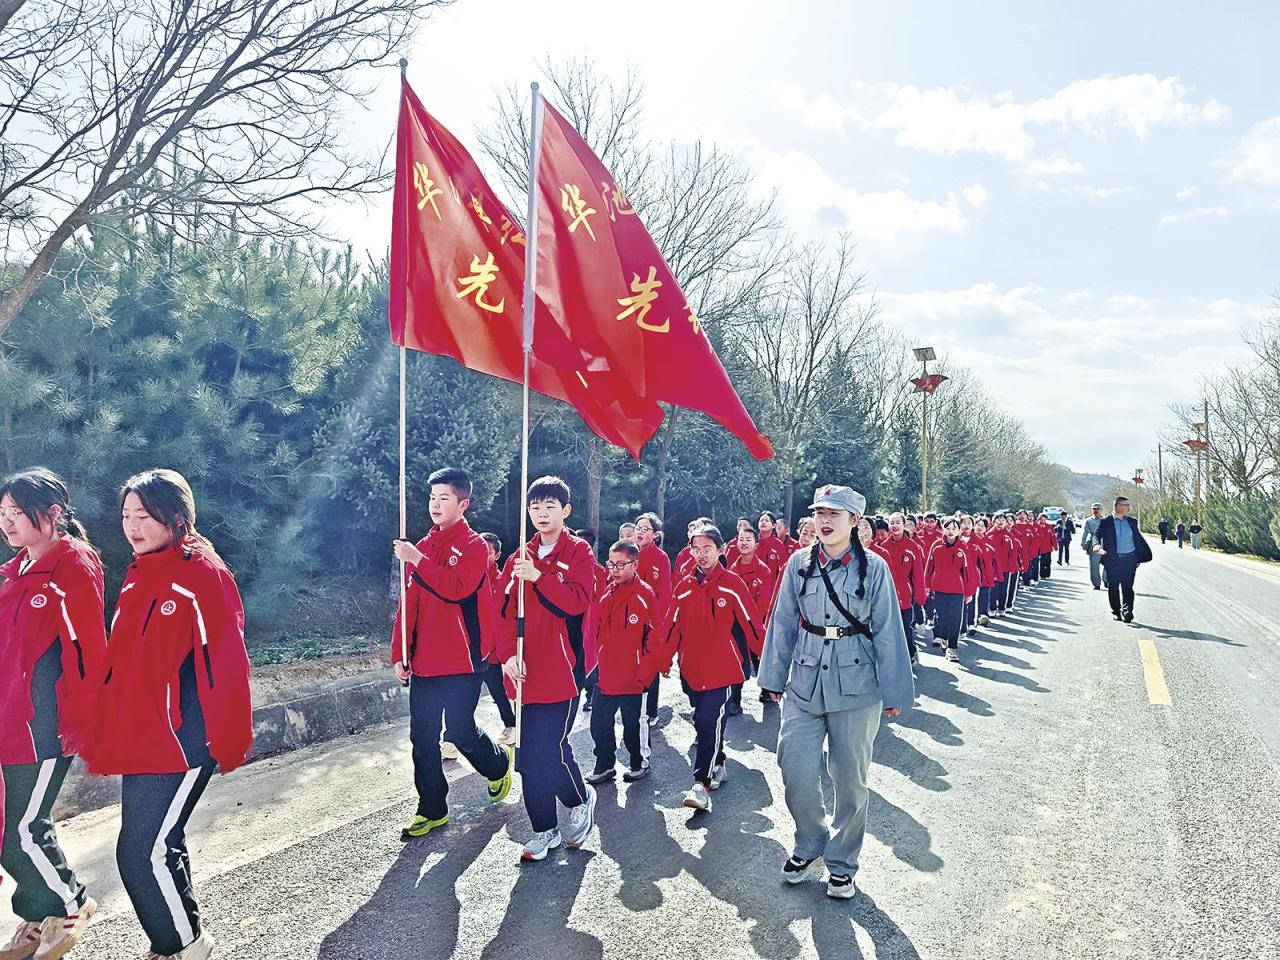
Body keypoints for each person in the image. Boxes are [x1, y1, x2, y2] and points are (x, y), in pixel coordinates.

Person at [86, 469, 253, 960]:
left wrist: (226, 741)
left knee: (140, 853)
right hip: (142, 736)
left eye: (144, 516)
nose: (132, 526)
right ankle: (183, 939)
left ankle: (182, 947)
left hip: (183, 741)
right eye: (126, 515)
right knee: (160, 844)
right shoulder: (141, 571)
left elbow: (228, 666)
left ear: (177, 517)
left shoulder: (204, 576)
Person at [759, 484, 914, 900]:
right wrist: (772, 676)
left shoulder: (874, 568)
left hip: (857, 685)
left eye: (834, 514)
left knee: (849, 780)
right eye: (820, 513)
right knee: (794, 767)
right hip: (805, 680)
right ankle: (810, 844)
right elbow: (783, 620)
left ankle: (842, 863)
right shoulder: (798, 564)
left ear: (854, 521)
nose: (825, 521)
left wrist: (896, 691)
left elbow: (889, 630)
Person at [0, 469, 107, 960]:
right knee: (9, 827)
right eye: (3, 513)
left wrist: (80, 722)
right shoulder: (16, 571)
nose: (7, 523)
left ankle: (69, 905)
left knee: (24, 828)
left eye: (17, 513)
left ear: (53, 514)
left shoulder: (72, 565)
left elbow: (87, 652)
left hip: (45, 724)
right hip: (10, 721)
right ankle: (37, 913)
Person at [390, 468, 514, 842]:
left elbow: (457, 588)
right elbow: (408, 604)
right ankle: (432, 808)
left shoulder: (474, 547)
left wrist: (416, 559)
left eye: (444, 498)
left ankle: (497, 764)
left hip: (464, 660)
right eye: (432, 498)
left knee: (459, 731)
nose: (435, 505)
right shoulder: (422, 547)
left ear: (463, 504)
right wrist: (400, 652)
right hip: (425, 662)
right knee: (422, 737)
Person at [498, 476, 597, 862]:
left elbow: (577, 602)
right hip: (525, 674)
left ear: (565, 510)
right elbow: (502, 612)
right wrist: (507, 655)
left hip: (563, 670)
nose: (541, 513)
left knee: (550, 748)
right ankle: (544, 830)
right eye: (535, 506)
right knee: (526, 756)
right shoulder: (519, 556)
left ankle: (579, 798)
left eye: (549, 506)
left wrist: (540, 577)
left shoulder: (579, 552)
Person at [656, 524, 762, 814]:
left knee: (708, 721)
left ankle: (700, 785)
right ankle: (719, 762)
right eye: (696, 549)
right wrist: (663, 660)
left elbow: (752, 625)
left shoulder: (732, 583)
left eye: (707, 549)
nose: (701, 554)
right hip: (691, 670)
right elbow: (670, 627)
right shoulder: (684, 586)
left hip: (723, 670)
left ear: (721, 550)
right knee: (704, 721)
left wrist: (768, 667)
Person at [585, 540, 661, 785]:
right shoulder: (607, 592)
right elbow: (595, 632)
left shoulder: (644, 594)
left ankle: (640, 762)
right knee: (599, 724)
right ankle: (604, 765)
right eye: (611, 564)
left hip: (634, 677)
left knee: (633, 726)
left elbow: (655, 639)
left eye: (621, 564)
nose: (615, 570)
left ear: (635, 565)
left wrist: (645, 674)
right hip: (605, 675)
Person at [727, 526, 776, 714]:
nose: (744, 543)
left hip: (755, 623)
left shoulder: (763, 570)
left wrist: (752, 621)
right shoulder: (732, 570)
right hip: (736, 624)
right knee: (736, 659)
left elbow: (764, 601)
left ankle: (767, 689)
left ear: (756, 544)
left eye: (748, 539)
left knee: (760, 657)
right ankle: (735, 700)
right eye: (741, 539)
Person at [633, 513, 672, 729]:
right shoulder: (629, 553)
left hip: (650, 623)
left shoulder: (661, 558)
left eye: (645, 529)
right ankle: (632, 707)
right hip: (628, 620)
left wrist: (658, 624)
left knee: (650, 665)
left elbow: (664, 595)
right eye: (638, 528)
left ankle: (651, 711)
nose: (640, 532)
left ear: (655, 535)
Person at [479, 533, 517, 746]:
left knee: (498, 691)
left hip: (491, 650)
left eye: (487, 552)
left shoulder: (502, 582)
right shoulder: (465, 577)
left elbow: (504, 618)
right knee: (459, 695)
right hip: (466, 649)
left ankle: (511, 724)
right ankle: (450, 739)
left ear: (497, 555)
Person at [1091, 496, 1153, 623]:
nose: (1129, 508)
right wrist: (1096, 545)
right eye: (1126, 505)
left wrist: (1138, 558)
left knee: (1128, 586)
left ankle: (1127, 611)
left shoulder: (1132, 521)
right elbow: (1097, 534)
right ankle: (1116, 611)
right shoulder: (1106, 521)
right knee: (1113, 587)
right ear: (1117, 506)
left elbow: (1136, 539)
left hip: (1129, 559)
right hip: (1113, 560)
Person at [880, 512, 926, 665]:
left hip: (905, 595)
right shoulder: (884, 547)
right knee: (889, 630)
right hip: (887, 595)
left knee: (906, 627)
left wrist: (920, 597)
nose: (895, 526)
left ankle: (911, 653)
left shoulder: (913, 546)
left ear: (903, 524)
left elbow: (918, 573)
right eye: (892, 523)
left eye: (898, 522)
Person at [926, 518, 970, 663]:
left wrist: (969, 592)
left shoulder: (962, 547)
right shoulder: (936, 545)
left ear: (959, 531)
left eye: (954, 528)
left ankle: (952, 647)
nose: (950, 531)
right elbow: (929, 566)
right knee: (942, 617)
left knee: (956, 618)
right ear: (943, 529)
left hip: (957, 589)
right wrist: (927, 585)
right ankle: (943, 638)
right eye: (948, 528)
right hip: (939, 587)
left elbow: (967, 571)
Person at [1080, 503, 1106, 590]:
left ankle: (1106, 579)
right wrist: (1083, 543)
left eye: (1098, 509)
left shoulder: (1106, 520)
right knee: (1094, 566)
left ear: (1101, 510)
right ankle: (1096, 583)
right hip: (1094, 544)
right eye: (1094, 509)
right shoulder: (1089, 521)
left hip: (1106, 544)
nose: (1096, 510)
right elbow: (1085, 533)